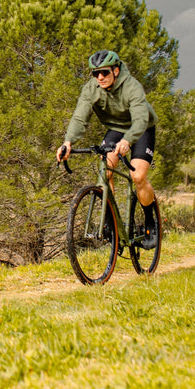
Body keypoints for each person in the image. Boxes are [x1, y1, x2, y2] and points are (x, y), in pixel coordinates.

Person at [56, 50, 159, 249]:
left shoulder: (132, 87)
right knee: (106, 170)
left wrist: (128, 140)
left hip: (141, 128)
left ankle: (150, 222)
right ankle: (112, 223)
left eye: (104, 72)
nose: (100, 77)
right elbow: (79, 117)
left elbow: (140, 120)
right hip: (116, 129)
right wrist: (68, 142)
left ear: (116, 71)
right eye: (96, 73)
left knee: (137, 176)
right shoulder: (91, 89)